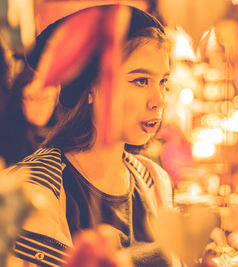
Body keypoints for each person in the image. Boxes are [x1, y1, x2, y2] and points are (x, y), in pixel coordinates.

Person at [6, 5, 178, 267]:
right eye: (141, 80)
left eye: (163, 81)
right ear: (91, 89)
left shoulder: (153, 181)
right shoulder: (36, 192)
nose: (159, 100)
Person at [0, 62, 58, 166]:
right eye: (32, 98)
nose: (40, 105)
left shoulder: (65, 131)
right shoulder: (5, 135)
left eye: (46, 98)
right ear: (19, 99)